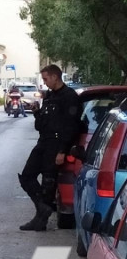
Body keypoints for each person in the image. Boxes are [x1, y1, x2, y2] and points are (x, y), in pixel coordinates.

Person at [18, 64, 81, 231]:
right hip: (43, 142)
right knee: (27, 176)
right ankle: (43, 208)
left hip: (56, 145)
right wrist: (37, 112)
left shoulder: (69, 97)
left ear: (55, 77)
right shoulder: (49, 96)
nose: (45, 82)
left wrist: (62, 151)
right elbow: (41, 125)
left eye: (46, 79)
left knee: (48, 183)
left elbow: (71, 127)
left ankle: (40, 221)